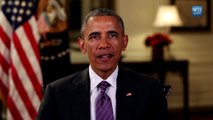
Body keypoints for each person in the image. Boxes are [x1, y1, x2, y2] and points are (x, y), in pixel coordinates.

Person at [36, 8, 169, 120]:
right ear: (82, 45)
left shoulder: (150, 90)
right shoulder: (57, 93)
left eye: (112, 35)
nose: (104, 44)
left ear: (124, 42)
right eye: (94, 37)